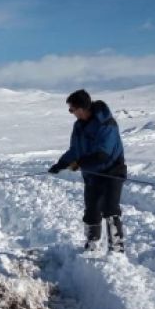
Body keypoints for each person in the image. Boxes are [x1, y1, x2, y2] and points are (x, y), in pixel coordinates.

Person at [48, 89, 127, 253]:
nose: (71, 113)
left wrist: (79, 163)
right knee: (91, 210)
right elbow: (75, 150)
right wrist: (61, 164)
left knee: (110, 209)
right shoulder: (78, 126)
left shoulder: (106, 124)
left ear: (82, 108)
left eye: (72, 109)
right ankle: (92, 245)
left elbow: (103, 154)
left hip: (112, 171)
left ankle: (117, 249)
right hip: (92, 174)